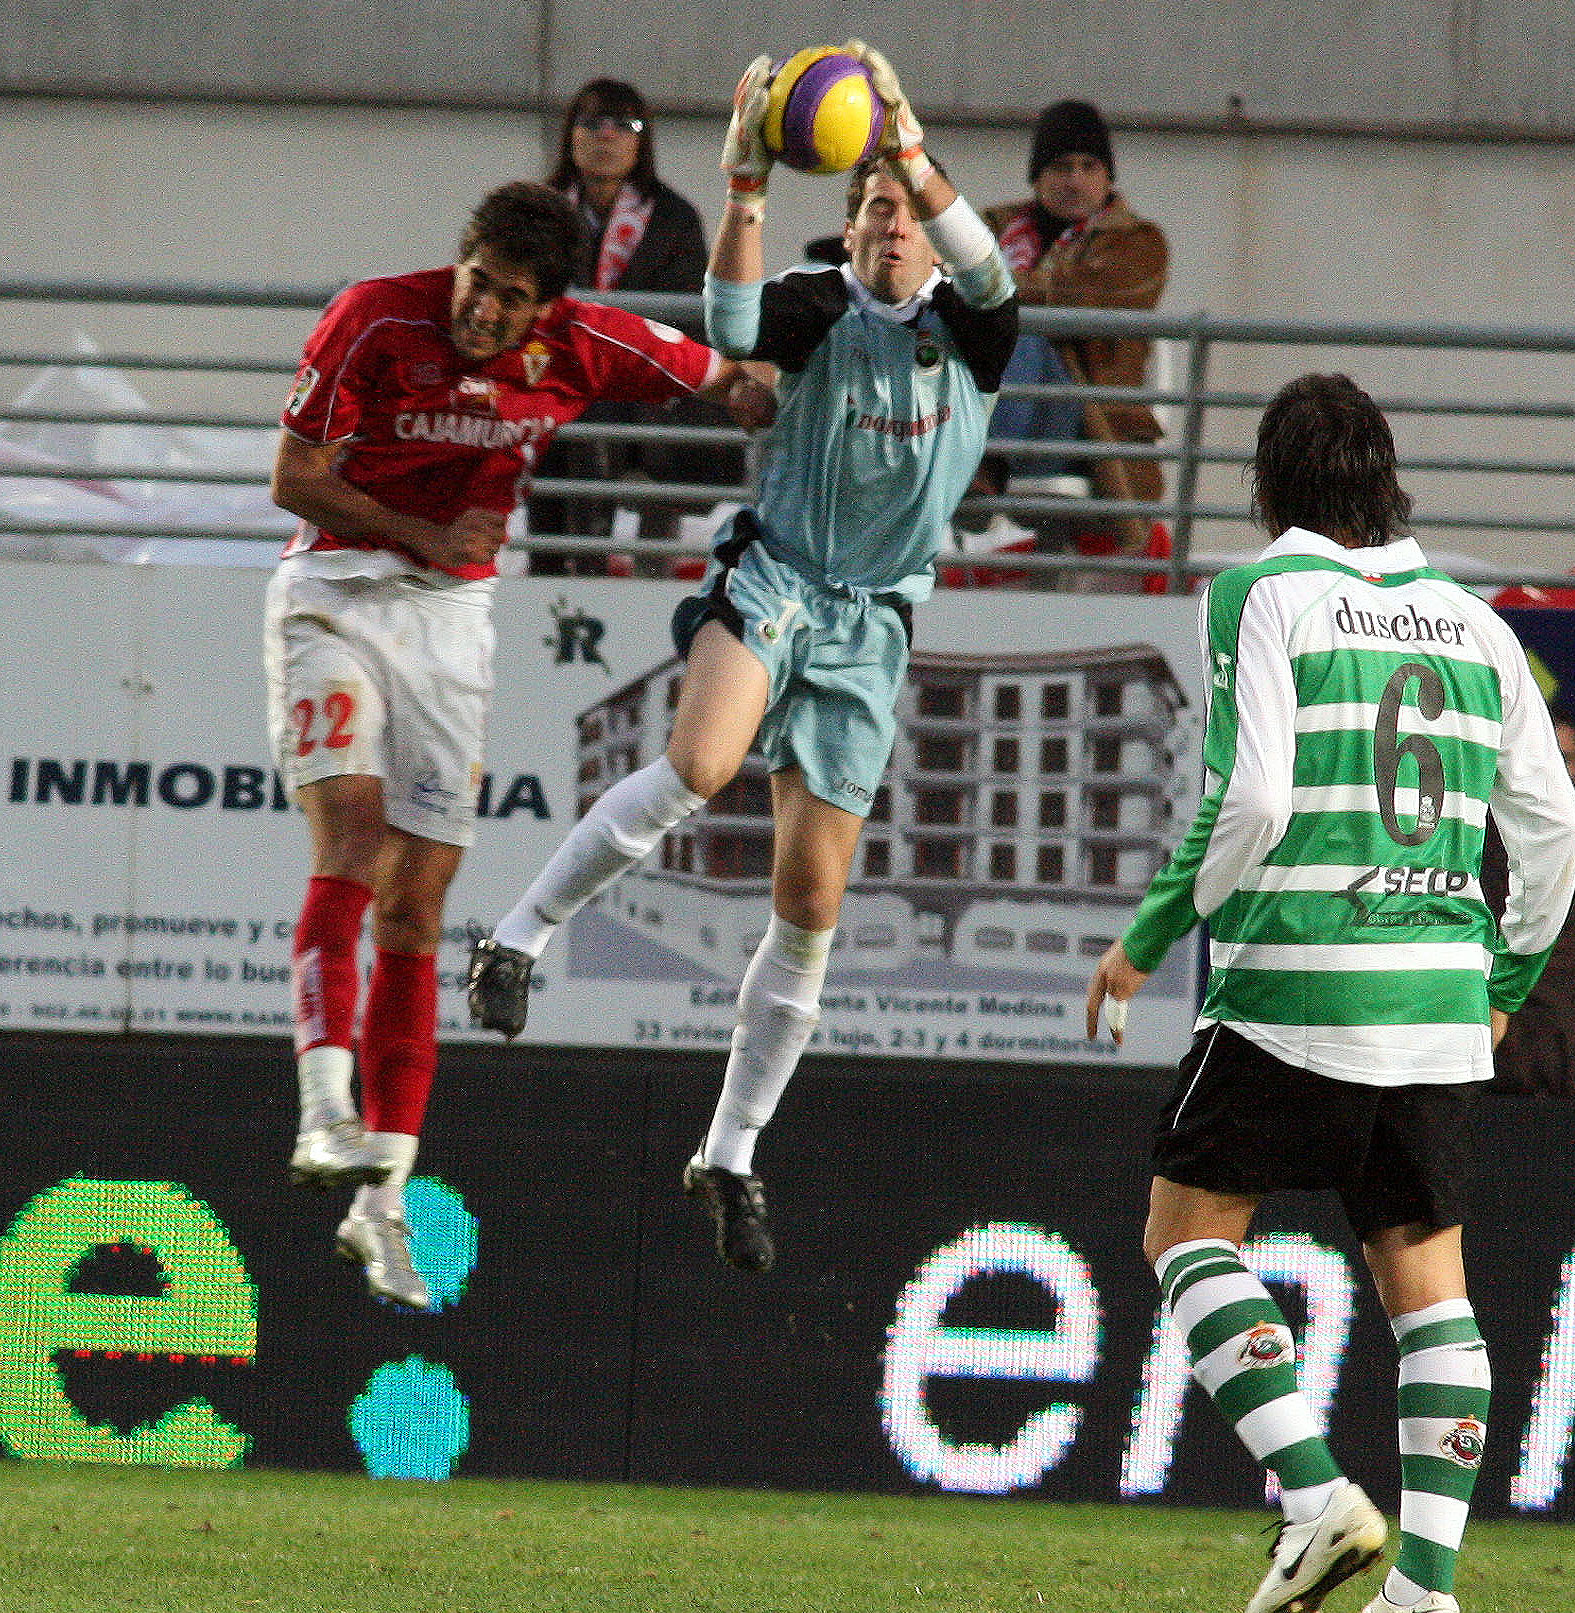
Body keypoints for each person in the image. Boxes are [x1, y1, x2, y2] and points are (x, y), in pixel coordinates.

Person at [466, 45, 1018, 1272]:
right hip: (778, 575)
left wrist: (910, 153)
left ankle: (728, 1154)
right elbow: (724, 325)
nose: (888, 226)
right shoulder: (819, 306)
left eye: (903, 213)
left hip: (873, 623)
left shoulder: (974, 329)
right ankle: (515, 939)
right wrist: (745, 186)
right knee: (701, 765)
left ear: (928, 236)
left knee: (810, 905)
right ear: (849, 229)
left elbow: (988, 266)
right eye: (870, 210)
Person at [1086, 374, 1575, 1613]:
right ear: (1386, 482)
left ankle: (1312, 1499)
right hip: (1436, 1003)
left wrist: (1148, 937)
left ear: (1270, 486)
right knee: (1430, 1291)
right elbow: (1551, 827)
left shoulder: (1260, 595)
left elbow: (1250, 799)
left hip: (1294, 987)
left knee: (1184, 1236)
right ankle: (1424, 1594)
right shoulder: (1474, 624)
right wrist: (1502, 985)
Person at [269, 180, 772, 1309]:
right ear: (458, 261)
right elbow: (292, 478)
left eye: (509, 298)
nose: (482, 311)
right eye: (475, 282)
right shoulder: (373, 317)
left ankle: (380, 1202)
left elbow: (721, 376)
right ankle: (322, 1108)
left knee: (418, 907)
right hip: (336, 590)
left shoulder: (586, 342)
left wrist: (773, 389)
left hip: (453, 617)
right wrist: (422, 529)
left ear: (548, 307)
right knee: (351, 835)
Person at [528, 78, 743, 573]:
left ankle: (619, 571)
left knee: (602, 418)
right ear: (570, 135)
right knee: (570, 418)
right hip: (557, 376)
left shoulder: (674, 218)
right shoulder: (540, 209)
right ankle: (554, 570)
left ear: (641, 142)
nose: (606, 136)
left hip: (646, 382)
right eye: (591, 123)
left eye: (625, 125)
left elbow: (688, 319)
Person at [982, 99, 1168, 563]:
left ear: (1108, 178)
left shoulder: (1139, 242)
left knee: (1025, 332)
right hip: (980, 406)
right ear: (1037, 177)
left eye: (1089, 166)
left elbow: (1081, 298)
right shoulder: (990, 227)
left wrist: (990, 285)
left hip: (1089, 430)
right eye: (1061, 166)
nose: (1075, 180)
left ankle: (985, 466)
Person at [1484, 710, 1575, 1097]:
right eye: (1553, 755)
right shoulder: (1481, 838)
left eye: (1571, 758)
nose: (1561, 769)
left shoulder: (1563, 839)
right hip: (1509, 1075)